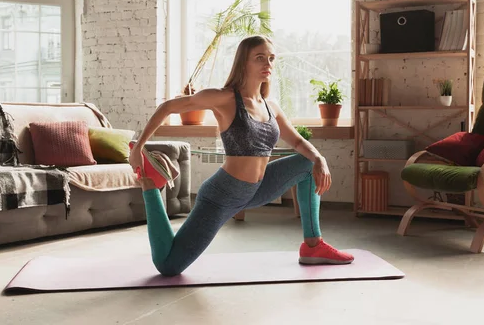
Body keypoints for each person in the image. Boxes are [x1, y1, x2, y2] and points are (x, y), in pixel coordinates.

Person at [130, 35, 354, 277]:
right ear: (243, 62)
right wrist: (138, 147)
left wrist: (320, 159)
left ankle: (313, 246)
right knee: (169, 266)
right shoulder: (224, 98)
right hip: (222, 195)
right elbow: (168, 107)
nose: (267, 63)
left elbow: (298, 142)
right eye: (260, 58)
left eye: (271, 58)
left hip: (257, 189)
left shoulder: (271, 106)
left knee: (308, 164)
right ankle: (151, 187)